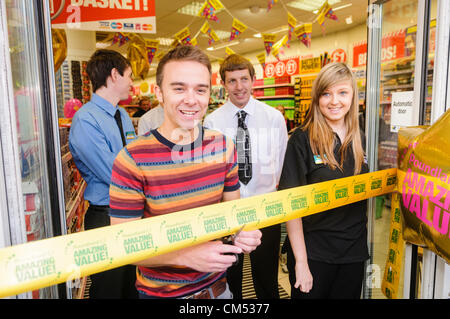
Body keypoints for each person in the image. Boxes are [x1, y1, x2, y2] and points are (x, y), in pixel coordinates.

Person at [108, 45, 262, 299]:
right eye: (179, 88)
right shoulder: (132, 159)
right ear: (159, 93)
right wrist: (186, 255)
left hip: (219, 292)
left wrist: (242, 233)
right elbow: (123, 245)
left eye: (200, 90)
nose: (191, 99)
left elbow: (232, 216)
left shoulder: (224, 147)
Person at [278, 62, 369, 299]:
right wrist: (301, 262)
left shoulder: (360, 139)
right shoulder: (301, 140)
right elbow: (292, 206)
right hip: (314, 254)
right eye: (326, 93)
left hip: (353, 253)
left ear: (352, 96)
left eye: (342, 93)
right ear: (317, 98)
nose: (334, 101)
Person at [203, 54, 288, 299]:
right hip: (228, 212)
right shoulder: (212, 122)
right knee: (232, 279)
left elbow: (281, 161)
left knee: (266, 279)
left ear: (253, 80)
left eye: (243, 79)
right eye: (232, 81)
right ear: (223, 84)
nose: (239, 87)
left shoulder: (273, 118)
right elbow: (212, 170)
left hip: (266, 210)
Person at [69, 49, 138, 298]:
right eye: (129, 75)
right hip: (105, 218)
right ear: (114, 75)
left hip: (131, 215)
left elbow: (136, 157)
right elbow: (115, 173)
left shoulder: (122, 115)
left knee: (132, 287)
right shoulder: (85, 120)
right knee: (109, 291)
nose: (132, 82)